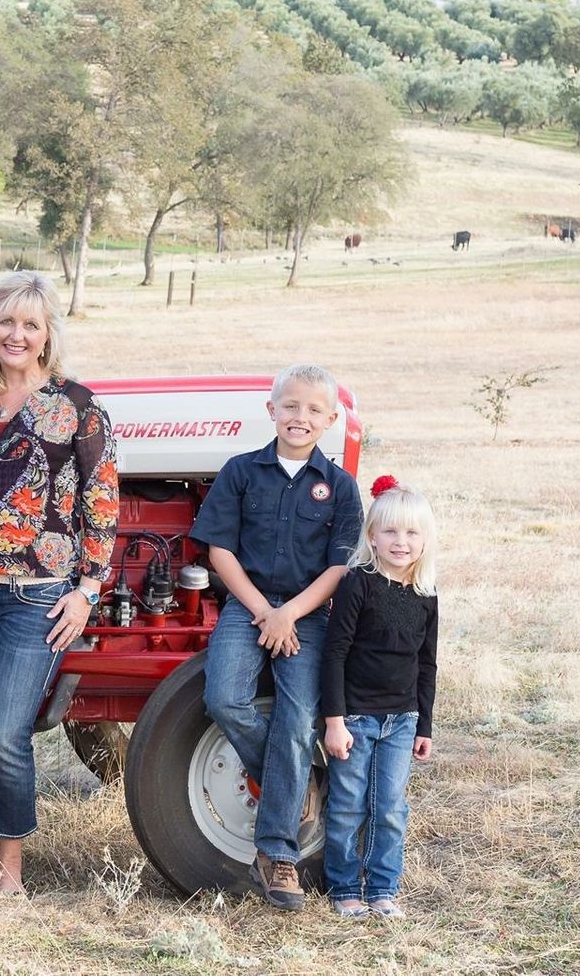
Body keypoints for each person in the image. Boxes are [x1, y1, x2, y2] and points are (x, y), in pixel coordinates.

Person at [0, 271, 118, 898]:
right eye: (6, 322)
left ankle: (11, 872)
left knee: (3, 734)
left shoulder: (76, 405)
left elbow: (101, 501)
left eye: (30, 325)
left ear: (47, 336)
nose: (17, 335)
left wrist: (89, 588)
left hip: (38, 593)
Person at [189, 363, 363, 911]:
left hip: (309, 616)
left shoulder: (339, 488)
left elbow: (338, 568)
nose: (300, 417)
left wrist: (290, 615)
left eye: (313, 410)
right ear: (271, 411)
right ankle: (297, 787)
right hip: (247, 609)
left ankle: (276, 852)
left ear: (331, 419)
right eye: (290, 406)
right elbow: (219, 551)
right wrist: (267, 611)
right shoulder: (241, 472)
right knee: (224, 698)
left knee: (295, 721)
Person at [319, 475, 439, 920]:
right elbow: (334, 654)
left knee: (389, 807)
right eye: (390, 531)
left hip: (401, 719)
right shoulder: (358, 584)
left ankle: (383, 888)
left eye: (411, 533)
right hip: (355, 718)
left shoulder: (426, 596)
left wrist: (423, 725)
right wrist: (334, 720)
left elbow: (427, 664)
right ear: (372, 536)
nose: (400, 541)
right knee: (349, 805)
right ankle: (346, 886)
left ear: (425, 540)